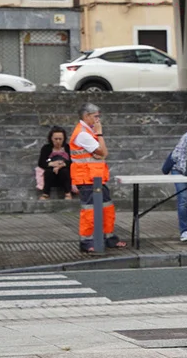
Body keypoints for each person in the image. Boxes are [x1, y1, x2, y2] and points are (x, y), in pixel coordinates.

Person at [69, 103, 126, 252]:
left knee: (107, 207)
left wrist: (99, 147)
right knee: (89, 210)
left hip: (96, 178)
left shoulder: (88, 131)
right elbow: (103, 152)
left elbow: (101, 153)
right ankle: (87, 242)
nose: (98, 120)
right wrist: (100, 134)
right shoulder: (83, 134)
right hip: (86, 178)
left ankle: (109, 238)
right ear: (86, 116)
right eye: (95, 116)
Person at [37, 126, 73, 200]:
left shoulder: (67, 147)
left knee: (64, 171)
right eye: (56, 139)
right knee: (48, 171)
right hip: (51, 172)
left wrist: (61, 165)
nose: (58, 141)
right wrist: (52, 164)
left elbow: (72, 161)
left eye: (60, 139)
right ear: (51, 138)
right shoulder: (46, 148)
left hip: (64, 173)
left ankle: (68, 193)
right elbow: (41, 162)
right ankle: (46, 193)